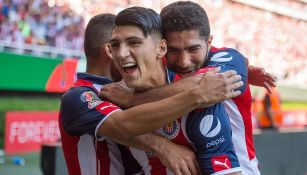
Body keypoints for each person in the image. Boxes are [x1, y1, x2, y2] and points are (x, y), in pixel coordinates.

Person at [101, 1, 276, 175]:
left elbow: (201, 85)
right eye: (174, 50)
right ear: (162, 48)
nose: (183, 62)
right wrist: (159, 145)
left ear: (209, 42)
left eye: (193, 49)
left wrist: (132, 100)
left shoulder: (230, 58)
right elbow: (113, 125)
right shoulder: (153, 70)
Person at [59, 13, 244, 175]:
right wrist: (162, 146)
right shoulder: (81, 97)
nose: (123, 53)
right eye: (115, 45)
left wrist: (245, 67)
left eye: (133, 43)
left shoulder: (199, 100)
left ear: (160, 49)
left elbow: (225, 63)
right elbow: (122, 125)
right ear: (109, 51)